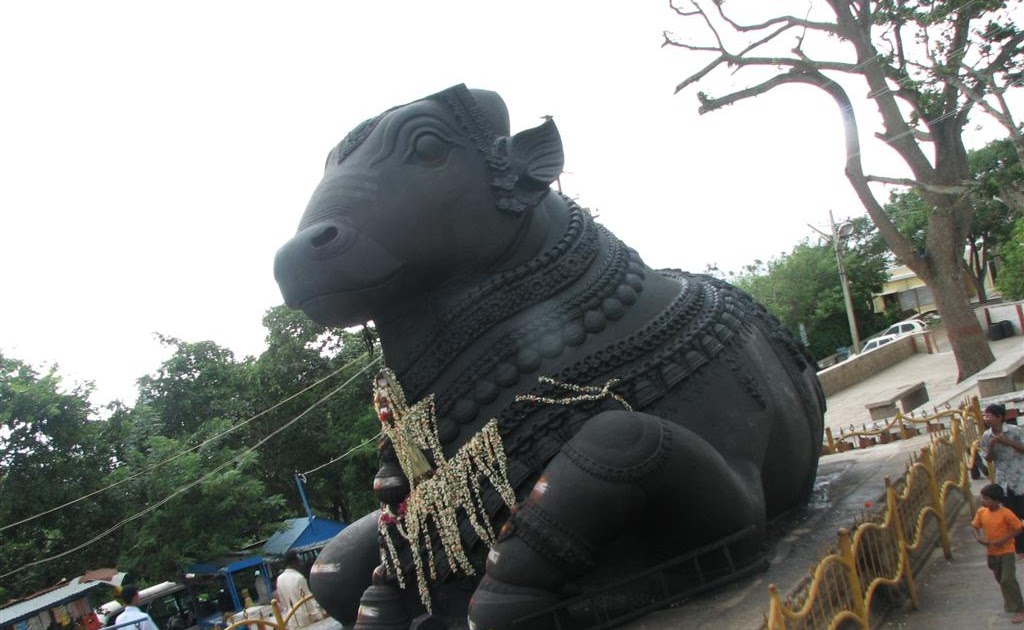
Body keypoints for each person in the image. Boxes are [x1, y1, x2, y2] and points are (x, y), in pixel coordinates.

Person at [972, 483, 1024, 623]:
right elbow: (975, 526)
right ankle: (1011, 603)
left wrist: (1004, 540)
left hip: (1006, 551)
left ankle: (1020, 608)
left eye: (986, 499)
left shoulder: (1006, 513)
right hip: (992, 552)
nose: (983, 501)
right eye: (983, 498)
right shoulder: (982, 512)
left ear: (996, 500)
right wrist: (978, 538)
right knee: (1000, 579)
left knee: (1008, 579)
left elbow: (1019, 528)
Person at [981, 402, 1024, 554]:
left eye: (990, 415)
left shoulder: (1014, 431)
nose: (986, 418)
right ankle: (1020, 548)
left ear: (1000, 417)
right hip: (1003, 480)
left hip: (1020, 477)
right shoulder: (986, 436)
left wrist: (1008, 442)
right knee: (1012, 515)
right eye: (985, 415)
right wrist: (992, 446)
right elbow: (988, 459)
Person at [275, 551, 324, 629]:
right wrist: (318, 616)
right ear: (293, 562)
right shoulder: (299, 578)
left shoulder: (279, 579)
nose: (300, 563)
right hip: (305, 621)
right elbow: (308, 601)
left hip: (291, 620)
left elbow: (283, 603)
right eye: (299, 560)